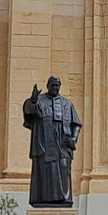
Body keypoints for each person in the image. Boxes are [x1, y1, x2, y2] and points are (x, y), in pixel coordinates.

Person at [23, 76, 83, 207]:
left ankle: (64, 199)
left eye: (57, 85)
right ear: (47, 85)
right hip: (44, 141)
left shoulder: (67, 103)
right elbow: (28, 112)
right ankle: (44, 200)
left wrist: (73, 139)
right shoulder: (40, 101)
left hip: (63, 142)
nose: (55, 88)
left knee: (63, 168)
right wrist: (33, 100)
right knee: (46, 170)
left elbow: (76, 124)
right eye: (52, 85)